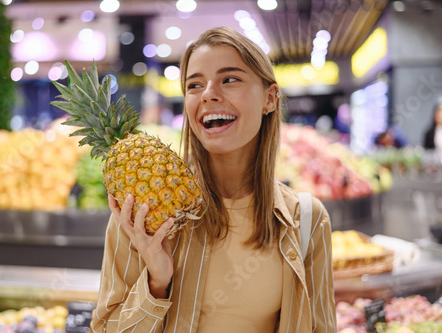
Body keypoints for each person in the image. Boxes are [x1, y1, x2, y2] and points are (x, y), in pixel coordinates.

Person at [91, 27, 336, 332]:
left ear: (270, 99)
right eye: (194, 85)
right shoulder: (142, 215)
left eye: (229, 79)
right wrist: (156, 284)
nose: (208, 94)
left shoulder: (307, 221)